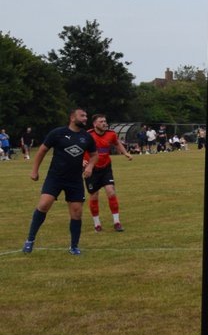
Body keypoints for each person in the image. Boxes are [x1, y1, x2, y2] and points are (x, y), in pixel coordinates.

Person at [23, 108, 99, 255]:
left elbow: (95, 155)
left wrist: (90, 166)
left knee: (76, 213)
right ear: (72, 117)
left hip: (75, 180)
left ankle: (74, 246)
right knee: (44, 205)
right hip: (55, 177)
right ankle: (30, 240)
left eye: (86, 116)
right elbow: (42, 151)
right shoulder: (57, 133)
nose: (85, 119)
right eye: (82, 116)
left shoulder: (87, 137)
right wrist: (34, 170)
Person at [84, 114, 133, 232]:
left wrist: (125, 153)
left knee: (111, 192)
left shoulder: (111, 134)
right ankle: (97, 224)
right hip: (91, 169)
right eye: (101, 122)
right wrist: (83, 160)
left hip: (106, 167)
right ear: (95, 124)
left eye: (105, 121)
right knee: (94, 196)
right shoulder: (87, 135)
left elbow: (116, 143)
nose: (104, 123)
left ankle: (117, 222)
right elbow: (80, 148)